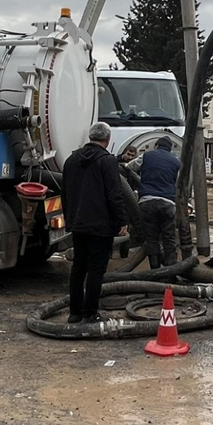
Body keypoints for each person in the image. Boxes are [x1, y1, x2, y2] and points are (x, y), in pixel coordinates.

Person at [62, 122, 130, 323]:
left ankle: (75, 313)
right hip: (100, 225)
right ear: (107, 139)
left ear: (90, 137)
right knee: (96, 270)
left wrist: (69, 219)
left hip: (78, 223)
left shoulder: (71, 160)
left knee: (78, 268)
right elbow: (114, 194)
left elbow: (65, 193)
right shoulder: (107, 161)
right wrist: (122, 220)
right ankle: (90, 313)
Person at [130, 137, 180, 269]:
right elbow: (179, 182)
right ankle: (171, 270)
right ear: (170, 149)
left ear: (156, 145)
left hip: (147, 202)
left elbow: (129, 167)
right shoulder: (176, 162)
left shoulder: (146, 156)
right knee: (169, 238)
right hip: (167, 203)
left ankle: (155, 271)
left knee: (151, 239)